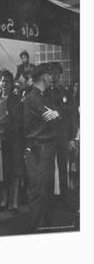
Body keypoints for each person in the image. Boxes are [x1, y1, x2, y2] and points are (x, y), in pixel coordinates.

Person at [23, 63, 61, 233]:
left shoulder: (46, 96)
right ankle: (35, 229)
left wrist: (57, 113)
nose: (52, 78)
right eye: (49, 74)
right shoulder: (34, 98)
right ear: (43, 76)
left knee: (45, 190)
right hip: (38, 149)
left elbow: (59, 112)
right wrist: (56, 114)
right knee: (38, 191)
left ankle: (44, 227)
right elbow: (51, 119)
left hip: (46, 148)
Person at [44, 62, 73, 203]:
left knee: (63, 167)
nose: (53, 76)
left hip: (62, 136)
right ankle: (49, 198)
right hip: (48, 136)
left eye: (55, 73)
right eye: (50, 73)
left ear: (60, 74)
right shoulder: (45, 92)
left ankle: (65, 197)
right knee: (48, 168)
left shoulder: (65, 92)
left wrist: (71, 138)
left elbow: (71, 114)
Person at [0, 69, 25, 213]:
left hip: (14, 140)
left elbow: (18, 121)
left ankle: (14, 202)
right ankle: (4, 200)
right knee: (2, 172)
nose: (4, 84)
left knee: (15, 172)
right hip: (0, 141)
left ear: (11, 84)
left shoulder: (16, 99)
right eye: (2, 81)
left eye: (6, 81)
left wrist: (7, 118)